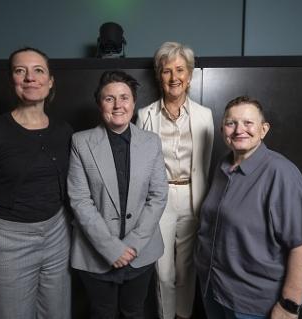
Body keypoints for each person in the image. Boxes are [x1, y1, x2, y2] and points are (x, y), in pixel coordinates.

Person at [0, 47, 72, 319]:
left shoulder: (64, 131)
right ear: (12, 81)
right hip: (9, 241)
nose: (30, 78)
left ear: (50, 80)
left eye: (38, 71)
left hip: (57, 235)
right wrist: (6, 227)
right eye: (21, 71)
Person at [195, 96, 302, 319]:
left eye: (248, 123)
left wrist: (288, 306)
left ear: (263, 129)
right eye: (231, 123)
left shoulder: (281, 173)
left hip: (253, 304)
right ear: (222, 129)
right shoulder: (223, 166)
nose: (239, 130)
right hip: (215, 291)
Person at [67, 70, 168, 319]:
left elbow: (158, 195)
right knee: (102, 313)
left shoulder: (151, 142)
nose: (117, 105)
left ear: (134, 103)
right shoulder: (81, 142)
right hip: (95, 252)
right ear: (99, 104)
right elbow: (80, 200)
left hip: (141, 252)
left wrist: (132, 246)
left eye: (124, 97)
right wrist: (111, 249)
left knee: (134, 311)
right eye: (109, 98)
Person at [136, 41, 214, 319]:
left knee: (187, 268)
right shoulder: (144, 115)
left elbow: (204, 164)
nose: (174, 77)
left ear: (189, 75)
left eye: (180, 70)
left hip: (193, 198)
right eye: (167, 70)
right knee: (163, 270)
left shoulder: (205, 116)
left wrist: (200, 200)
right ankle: (166, 315)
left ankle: (183, 315)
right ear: (159, 75)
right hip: (159, 199)